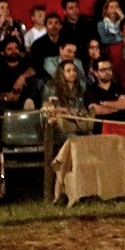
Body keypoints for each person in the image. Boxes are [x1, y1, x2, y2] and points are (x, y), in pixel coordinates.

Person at [41, 59, 91, 200]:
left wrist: (77, 113)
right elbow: (48, 108)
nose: (72, 73)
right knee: (73, 141)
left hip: (78, 125)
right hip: (59, 127)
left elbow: (82, 108)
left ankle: (87, 186)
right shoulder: (52, 88)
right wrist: (65, 110)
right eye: (68, 71)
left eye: (74, 70)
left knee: (91, 138)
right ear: (61, 73)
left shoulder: (80, 88)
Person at [85, 59, 125, 126]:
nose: (107, 72)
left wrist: (106, 103)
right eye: (103, 70)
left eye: (109, 69)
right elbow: (96, 110)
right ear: (96, 73)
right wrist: (118, 106)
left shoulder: (119, 87)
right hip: (101, 128)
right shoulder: (91, 90)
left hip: (121, 126)